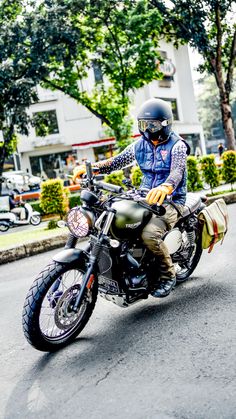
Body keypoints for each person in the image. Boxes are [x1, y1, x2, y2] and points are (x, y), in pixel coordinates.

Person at [73, 98, 189, 298]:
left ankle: (168, 275)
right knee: (114, 220)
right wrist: (92, 168)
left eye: (151, 125)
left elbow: (177, 172)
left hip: (171, 200)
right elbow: (116, 162)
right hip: (144, 195)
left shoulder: (177, 146)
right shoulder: (139, 145)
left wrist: (166, 186)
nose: (147, 129)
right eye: (143, 124)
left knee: (149, 235)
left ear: (165, 124)